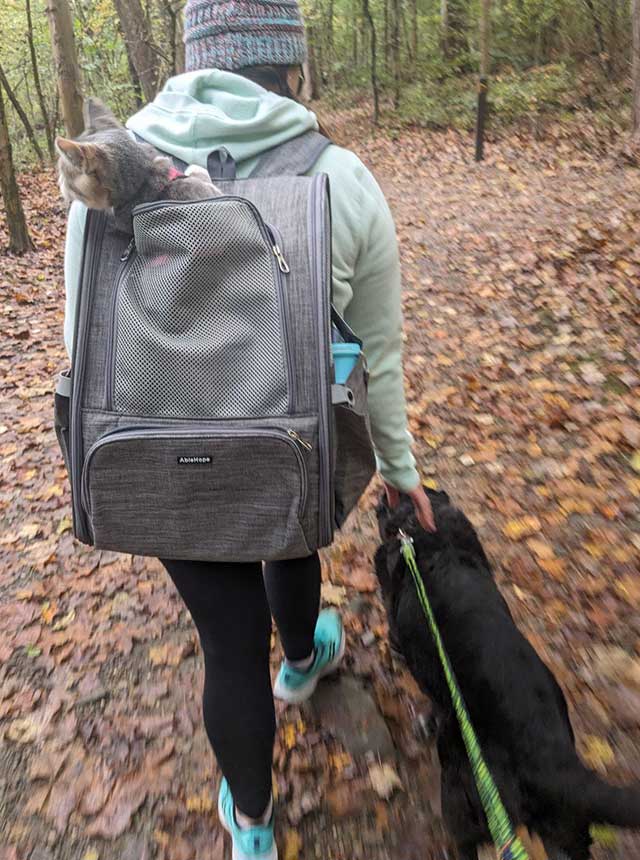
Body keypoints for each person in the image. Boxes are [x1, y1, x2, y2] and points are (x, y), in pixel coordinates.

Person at [62, 1, 435, 857]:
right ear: (286, 62)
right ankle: (304, 662)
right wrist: (403, 474)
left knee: (227, 644)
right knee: (286, 530)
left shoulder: (106, 177)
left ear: (195, 58)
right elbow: (378, 353)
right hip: (287, 449)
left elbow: (83, 349)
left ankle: (254, 831)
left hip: (158, 457)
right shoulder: (341, 176)